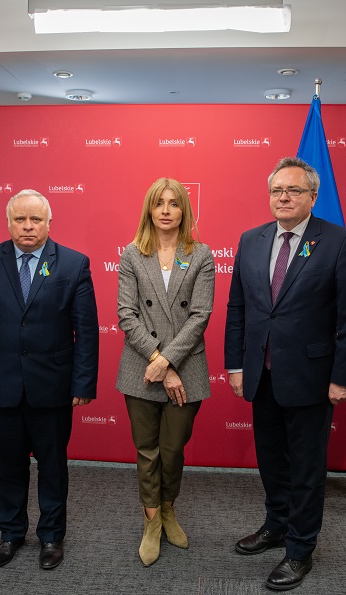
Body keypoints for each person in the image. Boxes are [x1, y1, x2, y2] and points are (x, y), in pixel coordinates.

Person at [224, 157, 346, 591]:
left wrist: (344, 377)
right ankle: (276, 526)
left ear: (312, 196)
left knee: (305, 468)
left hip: (312, 377)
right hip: (261, 375)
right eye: (276, 191)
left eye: (292, 190)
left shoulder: (338, 241)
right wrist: (235, 364)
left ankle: (301, 548)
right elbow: (238, 309)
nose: (283, 197)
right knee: (271, 461)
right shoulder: (251, 240)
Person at [0, 189, 99, 571]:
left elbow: (85, 331)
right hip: (0, 383)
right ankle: (10, 533)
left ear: (49, 223)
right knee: (8, 464)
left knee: (53, 465)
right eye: (20, 219)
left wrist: (83, 384)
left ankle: (51, 536)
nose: (28, 226)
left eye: (36, 219)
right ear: (8, 223)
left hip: (52, 385)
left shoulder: (73, 264)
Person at [116, 178, 215, 566]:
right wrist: (156, 360)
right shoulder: (131, 254)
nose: (167, 210)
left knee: (172, 451)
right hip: (139, 369)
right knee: (147, 452)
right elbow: (127, 313)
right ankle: (152, 521)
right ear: (150, 209)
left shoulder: (202, 254)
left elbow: (200, 314)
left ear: (184, 210)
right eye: (160, 203)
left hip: (185, 367)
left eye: (175, 203)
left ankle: (169, 508)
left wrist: (168, 362)